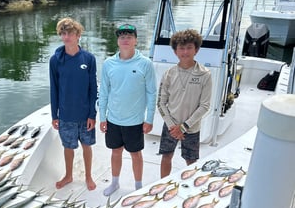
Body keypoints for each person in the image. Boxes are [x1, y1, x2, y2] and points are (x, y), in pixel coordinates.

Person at [99, 24, 157, 196]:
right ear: (118, 41)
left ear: (136, 41)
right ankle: (115, 183)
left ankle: (138, 186)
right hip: (113, 119)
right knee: (115, 152)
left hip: (135, 120)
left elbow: (152, 93)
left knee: (135, 154)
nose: (125, 39)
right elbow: (104, 92)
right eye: (122, 36)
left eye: (129, 36)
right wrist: (103, 117)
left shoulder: (145, 64)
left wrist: (149, 119)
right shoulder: (108, 64)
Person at [49, 17, 98, 190]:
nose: (66, 37)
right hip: (66, 115)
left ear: (78, 35)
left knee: (87, 147)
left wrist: (93, 114)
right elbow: (54, 89)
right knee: (68, 148)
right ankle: (68, 175)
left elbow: (93, 89)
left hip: (85, 115)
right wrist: (54, 115)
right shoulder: (55, 60)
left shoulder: (89, 59)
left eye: (70, 33)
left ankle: (89, 176)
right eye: (63, 33)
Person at [157, 28, 212, 178]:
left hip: (192, 127)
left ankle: (192, 189)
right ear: (175, 51)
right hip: (171, 125)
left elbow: (205, 106)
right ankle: (163, 184)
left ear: (196, 50)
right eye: (181, 48)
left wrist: (184, 126)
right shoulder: (169, 74)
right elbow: (161, 103)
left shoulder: (205, 74)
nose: (185, 52)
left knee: (191, 161)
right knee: (166, 156)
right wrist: (172, 125)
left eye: (189, 48)